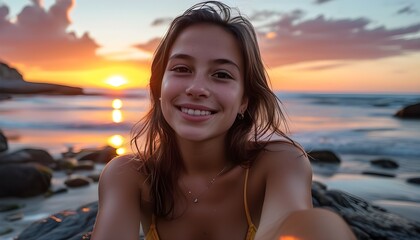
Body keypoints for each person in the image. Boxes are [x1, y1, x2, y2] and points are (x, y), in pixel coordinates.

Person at [91, 1, 356, 240]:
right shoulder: (129, 175)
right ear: (159, 87)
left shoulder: (279, 163)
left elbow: (295, 225)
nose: (197, 88)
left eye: (221, 74)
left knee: (322, 227)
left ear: (244, 100)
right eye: (182, 69)